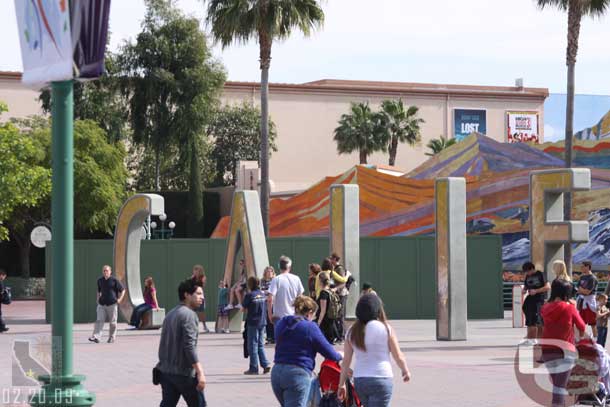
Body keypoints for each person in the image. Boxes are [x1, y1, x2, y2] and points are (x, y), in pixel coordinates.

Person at [338, 294, 411, 407]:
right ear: (378, 310)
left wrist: (341, 384)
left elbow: (346, 362)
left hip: (360, 380)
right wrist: (405, 370)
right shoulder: (386, 328)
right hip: (381, 378)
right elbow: (398, 355)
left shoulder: (352, 331)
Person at [271, 295, 342, 407]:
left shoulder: (282, 323)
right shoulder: (309, 327)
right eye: (313, 315)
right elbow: (329, 352)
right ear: (309, 312)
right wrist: (340, 356)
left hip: (277, 372)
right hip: (297, 374)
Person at [156, 279, 206, 407]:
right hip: (184, 374)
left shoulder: (171, 314)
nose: (202, 297)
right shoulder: (189, 315)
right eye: (198, 294)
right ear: (187, 295)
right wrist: (200, 372)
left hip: (167, 372)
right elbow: (189, 346)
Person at [540, 279, 587, 407]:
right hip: (565, 350)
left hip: (547, 350)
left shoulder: (544, 308)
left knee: (558, 384)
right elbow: (582, 326)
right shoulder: (569, 308)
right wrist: (579, 337)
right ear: (567, 293)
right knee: (560, 386)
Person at [89, 265, 125, 343]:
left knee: (113, 322)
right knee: (99, 320)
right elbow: (98, 291)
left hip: (112, 304)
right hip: (102, 304)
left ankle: (112, 337)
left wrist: (120, 299)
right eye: (104, 270)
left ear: (110, 271)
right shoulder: (100, 280)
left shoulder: (114, 280)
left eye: (107, 270)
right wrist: (98, 299)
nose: (105, 272)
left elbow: (123, 290)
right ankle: (96, 337)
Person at [242, 276, 271, 375]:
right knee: (260, 344)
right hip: (262, 322)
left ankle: (254, 368)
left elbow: (243, 309)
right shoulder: (262, 294)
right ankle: (265, 364)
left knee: (252, 345)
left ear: (250, 284)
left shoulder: (249, 295)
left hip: (253, 322)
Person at [268, 256, 304, 322]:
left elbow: (270, 299)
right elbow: (301, 298)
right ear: (289, 267)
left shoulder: (276, 280)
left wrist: (270, 315)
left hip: (279, 317)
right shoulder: (296, 279)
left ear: (279, 267)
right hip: (294, 316)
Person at [521, 261, 549, 345]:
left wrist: (536, 291)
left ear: (532, 269)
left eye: (528, 271)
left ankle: (537, 339)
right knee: (529, 319)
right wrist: (524, 289)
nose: (527, 274)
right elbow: (527, 285)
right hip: (530, 299)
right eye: (526, 272)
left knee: (537, 320)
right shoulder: (527, 276)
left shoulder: (540, 274)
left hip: (539, 299)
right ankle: (529, 339)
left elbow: (547, 287)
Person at [330, 253, 352, 341]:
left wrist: (335, 288)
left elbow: (343, 283)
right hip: (338, 294)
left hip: (342, 294)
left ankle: (343, 335)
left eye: (332, 258)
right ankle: (340, 334)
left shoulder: (339, 269)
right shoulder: (335, 268)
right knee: (337, 314)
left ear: (335, 259)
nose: (331, 260)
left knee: (340, 315)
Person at [577, 261, 598, 338]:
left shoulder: (592, 278)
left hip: (590, 302)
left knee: (592, 323)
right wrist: (582, 290)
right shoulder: (582, 277)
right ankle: (581, 339)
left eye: (582, 266)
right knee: (580, 322)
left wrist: (582, 290)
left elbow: (587, 292)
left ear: (588, 267)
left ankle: (596, 341)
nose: (581, 268)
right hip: (582, 301)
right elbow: (578, 288)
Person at [316, 273, 339, 344]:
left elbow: (323, 310)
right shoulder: (330, 291)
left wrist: (318, 323)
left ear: (320, 281)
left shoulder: (323, 293)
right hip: (330, 320)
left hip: (325, 322)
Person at [191, 265, 210, 333]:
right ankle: (193, 326)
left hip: (200, 296)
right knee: (192, 312)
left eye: (197, 270)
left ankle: (204, 326)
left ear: (200, 271)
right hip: (193, 297)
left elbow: (202, 285)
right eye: (194, 270)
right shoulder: (192, 277)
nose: (195, 271)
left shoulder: (203, 277)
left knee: (201, 312)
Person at [260, 266, 276, 344]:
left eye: (271, 271)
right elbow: (261, 291)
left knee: (274, 320)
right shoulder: (262, 281)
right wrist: (268, 292)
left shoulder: (275, 280)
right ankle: (269, 337)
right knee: (267, 320)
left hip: (274, 303)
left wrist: (267, 292)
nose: (269, 273)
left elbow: (274, 292)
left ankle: (275, 337)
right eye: (268, 271)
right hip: (265, 302)